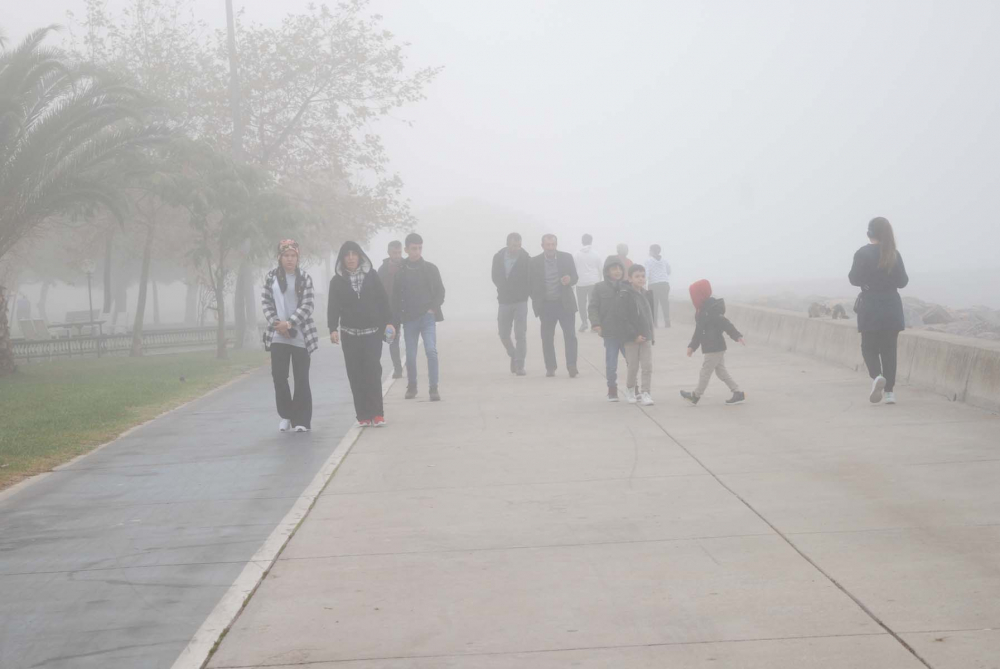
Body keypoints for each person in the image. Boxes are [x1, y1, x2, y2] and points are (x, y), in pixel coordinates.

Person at [328, 241, 394, 427]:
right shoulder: (337, 281)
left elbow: (382, 300)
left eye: (354, 254)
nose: (350, 258)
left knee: (373, 371)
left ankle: (377, 414)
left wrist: (389, 322)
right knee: (355, 374)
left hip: (372, 332)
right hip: (350, 334)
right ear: (342, 258)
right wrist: (332, 328)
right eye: (347, 255)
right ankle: (363, 415)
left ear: (360, 256)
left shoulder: (371, 276)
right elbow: (333, 307)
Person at [849, 216, 909, 405]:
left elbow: (854, 279)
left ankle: (876, 376)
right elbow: (903, 282)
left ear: (869, 233)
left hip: (871, 306)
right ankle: (890, 393)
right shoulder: (894, 254)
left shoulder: (862, 253)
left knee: (868, 347)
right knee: (889, 350)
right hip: (891, 305)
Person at [261, 239, 318, 432]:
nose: (290, 260)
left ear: (298, 257)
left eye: (293, 256)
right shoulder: (271, 278)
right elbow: (266, 302)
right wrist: (279, 324)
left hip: (301, 335)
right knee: (279, 376)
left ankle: (301, 420)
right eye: (286, 256)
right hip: (278, 334)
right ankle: (286, 415)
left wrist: (290, 323)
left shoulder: (304, 278)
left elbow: (308, 305)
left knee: (301, 378)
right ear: (280, 257)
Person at [392, 232, 445, 401]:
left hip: (427, 317)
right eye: (414, 248)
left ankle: (433, 388)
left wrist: (433, 308)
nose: (417, 251)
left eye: (420, 248)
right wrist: (395, 319)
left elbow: (440, 291)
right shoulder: (400, 272)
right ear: (406, 249)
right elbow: (395, 297)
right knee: (410, 355)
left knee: (431, 351)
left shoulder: (430, 269)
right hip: (409, 319)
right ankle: (412, 386)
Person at [680, 279, 746, 405]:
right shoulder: (702, 311)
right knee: (721, 372)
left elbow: (726, 324)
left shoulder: (712, 310)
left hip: (715, 347)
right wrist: (692, 346)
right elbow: (698, 331)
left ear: (701, 295)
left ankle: (695, 396)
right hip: (713, 347)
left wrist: (737, 336)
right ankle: (738, 393)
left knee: (705, 372)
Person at [529, 234, 579, 378]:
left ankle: (571, 365)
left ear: (556, 245)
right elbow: (530, 283)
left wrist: (569, 279)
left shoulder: (567, 258)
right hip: (546, 305)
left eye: (553, 244)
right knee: (547, 337)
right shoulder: (534, 262)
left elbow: (575, 277)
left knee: (570, 336)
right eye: (548, 245)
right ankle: (550, 367)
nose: (551, 247)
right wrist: (537, 300)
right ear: (542, 246)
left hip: (565, 304)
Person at [491, 232, 531, 375]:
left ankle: (520, 365)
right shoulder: (498, 257)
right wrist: (503, 287)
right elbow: (494, 276)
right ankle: (513, 354)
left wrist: (524, 292)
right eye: (514, 245)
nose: (517, 248)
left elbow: (529, 278)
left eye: (519, 246)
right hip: (504, 300)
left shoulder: (526, 258)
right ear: (508, 244)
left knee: (520, 334)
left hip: (520, 301)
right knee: (503, 333)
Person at [588, 256, 627, 401]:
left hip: (626, 333)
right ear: (607, 271)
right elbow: (593, 307)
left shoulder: (627, 286)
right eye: (613, 269)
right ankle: (612, 389)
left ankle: (633, 388)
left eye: (619, 268)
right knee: (611, 364)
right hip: (609, 332)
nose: (617, 271)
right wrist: (596, 324)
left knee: (632, 362)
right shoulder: (599, 288)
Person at [621, 264, 655, 406]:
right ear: (630, 279)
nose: (641, 279)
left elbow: (649, 317)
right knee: (633, 366)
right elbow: (624, 318)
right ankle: (630, 390)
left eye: (643, 276)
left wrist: (651, 335)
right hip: (631, 339)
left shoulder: (647, 294)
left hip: (646, 337)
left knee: (647, 366)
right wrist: (634, 335)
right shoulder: (625, 295)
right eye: (637, 276)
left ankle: (646, 393)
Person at [377, 240, 405, 379]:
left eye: (399, 252)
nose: (398, 255)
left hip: (406, 308)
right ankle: (398, 369)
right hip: (390, 310)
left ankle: (407, 367)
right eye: (395, 253)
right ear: (389, 253)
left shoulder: (406, 266)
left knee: (411, 340)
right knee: (392, 339)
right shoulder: (382, 270)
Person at [573, 234, 603, 332]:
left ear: (582, 241)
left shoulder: (576, 254)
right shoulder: (596, 254)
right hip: (593, 282)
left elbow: (574, 268)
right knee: (592, 304)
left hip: (580, 282)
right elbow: (600, 269)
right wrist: (599, 280)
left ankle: (584, 322)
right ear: (591, 241)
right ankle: (594, 324)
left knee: (581, 304)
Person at [644, 244, 672, 328]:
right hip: (664, 283)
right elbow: (669, 271)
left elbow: (647, 273)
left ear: (652, 251)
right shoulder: (664, 260)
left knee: (654, 304)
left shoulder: (648, 261)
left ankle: (654, 323)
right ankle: (667, 322)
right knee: (665, 303)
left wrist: (644, 284)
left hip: (653, 284)